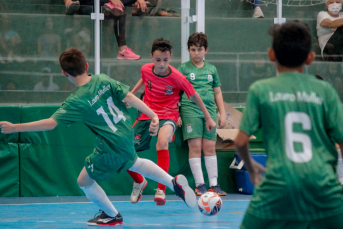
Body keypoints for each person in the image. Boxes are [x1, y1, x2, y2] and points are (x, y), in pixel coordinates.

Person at [0, 47, 196, 226]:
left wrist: (14, 127)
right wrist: (153, 114)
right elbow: (129, 97)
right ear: (86, 66)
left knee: (83, 181)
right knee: (133, 162)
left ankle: (112, 215)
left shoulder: (75, 101)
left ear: (64, 73)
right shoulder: (102, 79)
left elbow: (50, 124)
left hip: (110, 145)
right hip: (126, 131)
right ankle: (172, 182)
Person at [235, 21, 343, 229]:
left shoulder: (260, 90)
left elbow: (240, 142)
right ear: (310, 58)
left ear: (271, 55)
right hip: (323, 189)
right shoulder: (325, 91)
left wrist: (251, 168)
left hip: (277, 188)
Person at [126, 38, 217, 206]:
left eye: (166, 60)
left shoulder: (178, 77)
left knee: (162, 143)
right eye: (158, 59)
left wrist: (209, 117)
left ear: (171, 58)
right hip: (146, 113)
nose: (162, 64)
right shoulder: (145, 69)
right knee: (123, 150)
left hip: (168, 114)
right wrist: (130, 96)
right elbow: (144, 80)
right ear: (151, 57)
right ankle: (139, 181)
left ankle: (161, 189)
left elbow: (194, 96)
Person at [176, 32, 227, 196]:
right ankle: (200, 185)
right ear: (188, 50)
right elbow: (176, 92)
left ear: (206, 50)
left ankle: (214, 185)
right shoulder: (183, 68)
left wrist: (222, 114)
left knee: (210, 147)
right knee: (195, 147)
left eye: (199, 49)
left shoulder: (212, 69)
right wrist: (177, 113)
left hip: (210, 112)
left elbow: (217, 92)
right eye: (193, 50)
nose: (196, 53)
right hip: (190, 110)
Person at [64, 0, 145, 60]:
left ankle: (123, 50)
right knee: (119, 9)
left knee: (120, 8)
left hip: (102, 4)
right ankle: (123, 50)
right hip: (88, 4)